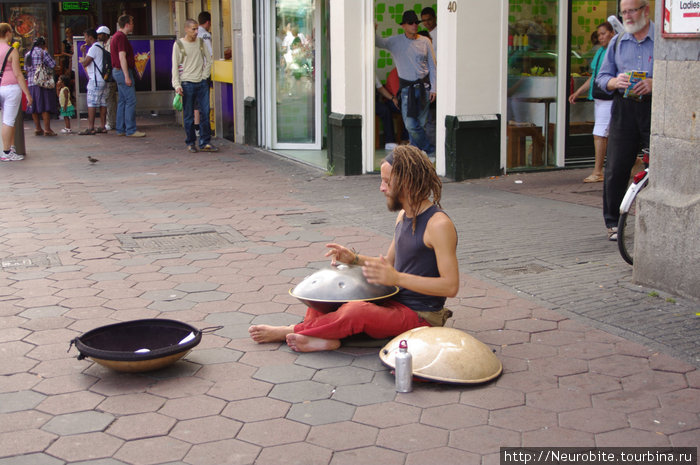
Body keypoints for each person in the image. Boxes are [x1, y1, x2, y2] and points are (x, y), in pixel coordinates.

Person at [249, 145, 459, 352]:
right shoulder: (403, 216)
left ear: (407, 182)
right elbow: (388, 265)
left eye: (387, 182)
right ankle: (327, 339)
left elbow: (450, 286)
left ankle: (291, 331)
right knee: (325, 299)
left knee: (355, 311)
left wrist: (397, 279)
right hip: (393, 302)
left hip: (421, 315)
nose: (382, 188)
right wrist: (354, 259)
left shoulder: (438, 225)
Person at [595, 0, 653, 241]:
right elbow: (601, 78)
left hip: (654, 108)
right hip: (624, 108)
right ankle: (613, 223)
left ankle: (656, 219)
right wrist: (614, 82)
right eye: (624, 12)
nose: (627, 16)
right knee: (616, 166)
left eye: (632, 11)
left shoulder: (662, 41)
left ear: (645, 10)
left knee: (659, 166)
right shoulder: (617, 42)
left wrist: (654, 83)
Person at [375, 11, 436, 157]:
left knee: (420, 124)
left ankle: (415, 155)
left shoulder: (425, 41)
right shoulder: (395, 41)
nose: (414, 25)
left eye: (416, 22)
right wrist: (373, 29)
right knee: (410, 125)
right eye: (410, 23)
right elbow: (379, 42)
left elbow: (433, 66)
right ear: (403, 26)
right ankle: (429, 149)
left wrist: (434, 87)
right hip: (406, 89)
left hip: (424, 87)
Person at [568, 21, 615, 183]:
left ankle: (597, 171)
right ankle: (631, 162)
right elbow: (594, 76)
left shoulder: (614, 50)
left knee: (600, 133)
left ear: (612, 32)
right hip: (599, 97)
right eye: (599, 34)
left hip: (609, 96)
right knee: (606, 133)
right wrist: (578, 92)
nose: (600, 37)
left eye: (603, 33)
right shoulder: (601, 51)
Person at [171, 19, 217, 153]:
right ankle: (191, 142)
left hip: (201, 83)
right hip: (187, 83)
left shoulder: (201, 43)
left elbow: (209, 60)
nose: (196, 32)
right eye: (193, 29)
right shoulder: (179, 45)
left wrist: (204, 76)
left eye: (197, 29)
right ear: (186, 29)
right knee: (189, 115)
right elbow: (175, 66)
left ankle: (205, 142)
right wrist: (177, 85)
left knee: (205, 112)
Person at [0, 23, 32, 161]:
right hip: (11, 88)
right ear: (7, 33)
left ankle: (10, 148)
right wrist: (27, 94)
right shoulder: (11, 50)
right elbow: (18, 74)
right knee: (9, 120)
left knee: (6, 120)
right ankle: (6, 152)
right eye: (11, 32)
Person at [110, 15, 146, 137]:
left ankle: (120, 128)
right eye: (131, 22)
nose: (133, 25)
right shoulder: (121, 37)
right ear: (126, 25)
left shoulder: (116, 36)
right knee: (131, 100)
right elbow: (122, 57)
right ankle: (130, 129)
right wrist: (127, 76)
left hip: (117, 70)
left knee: (122, 101)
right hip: (122, 71)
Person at [79, 27, 109, 135]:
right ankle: (102, 126)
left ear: (90, 37)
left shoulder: (93, 48)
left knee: (91, 103)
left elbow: (85, 63)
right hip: (103, 79)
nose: (85, 40)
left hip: (95, 80)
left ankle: (90, 127)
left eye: (85, 37)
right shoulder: (102, 46)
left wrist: (83, 53)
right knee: (102, 103)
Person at [24, 36, 57, 137]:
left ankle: (38, 128)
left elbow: (26, 69)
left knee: (34, 106)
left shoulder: (27, 54)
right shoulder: (43, 52)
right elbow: (53, 64)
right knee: (44, 106)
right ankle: (47, 129)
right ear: (42, 44)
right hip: (42, 83)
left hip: (31, 83)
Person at [375, 69, 408, 151]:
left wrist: (393, 98)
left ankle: (406, 139)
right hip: (395, 99)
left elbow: (380, 88)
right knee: (403, 107)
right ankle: (391, 141)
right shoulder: (394, 73)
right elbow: (397, 92)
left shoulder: (372, 73)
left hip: (397, 99)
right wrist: (393, 98)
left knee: (409, 108)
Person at [194, 11, 213, 138]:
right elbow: (210, 54)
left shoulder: (194, 34)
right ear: (208, 22)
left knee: (195, 101)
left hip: (194, 71)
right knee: (204, 101)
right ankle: (205, 129)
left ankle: (196, 127)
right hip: (204, 71)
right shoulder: (205, 35)